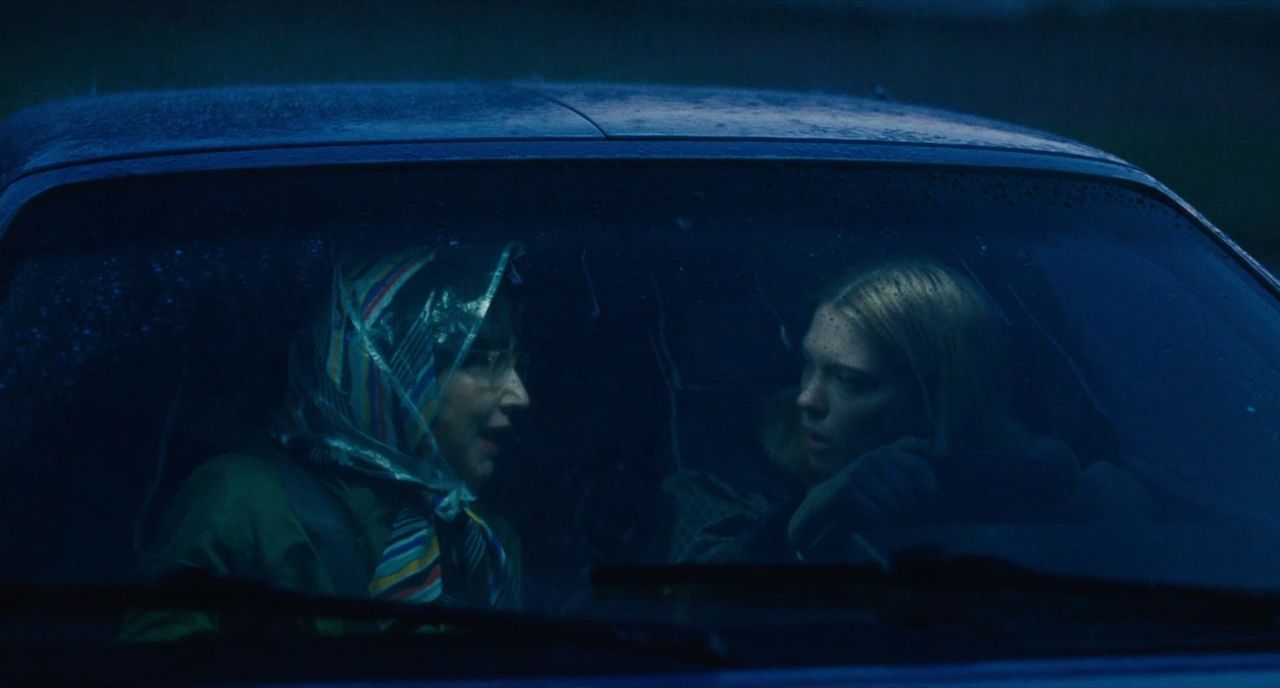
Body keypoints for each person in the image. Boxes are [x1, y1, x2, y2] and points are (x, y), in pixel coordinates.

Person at [123, 242, 531, 641]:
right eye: (481, 359)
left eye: (514, 362)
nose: (519, 395)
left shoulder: (486, 547)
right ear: (391, 369)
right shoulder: (243, 503)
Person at [664, 259, 1080, 564]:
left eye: (851, 381)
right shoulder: (729, 475)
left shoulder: (1040, 484)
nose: (807, 399)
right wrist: (794, 534)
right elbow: (684, 604)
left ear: (936, 401)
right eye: (809, 364)